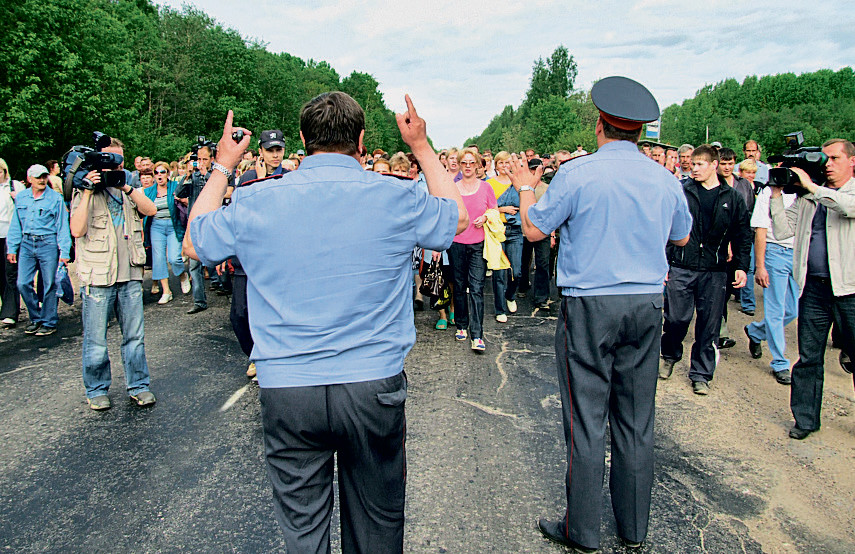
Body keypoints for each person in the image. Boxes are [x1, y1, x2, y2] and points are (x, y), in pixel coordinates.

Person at [183, 93, 467, 552]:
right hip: (371, 382)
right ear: (360, 140)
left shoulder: (258, 199)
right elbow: (458, 218)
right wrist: (420, 145)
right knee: (377, 523)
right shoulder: (396, 195)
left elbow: (195, 244)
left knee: (303, 528)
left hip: (289, 386)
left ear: (302, 139)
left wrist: (222, 166)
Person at [511, 76, 692, 552]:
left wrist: (526, 188)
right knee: (636, 419)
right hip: (646, 302)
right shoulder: (665, 178)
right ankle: (633, 529)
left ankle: (583, 530)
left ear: (599, 124)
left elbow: (533, 232)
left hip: (591, 305)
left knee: (586, 419)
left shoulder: (577, 174)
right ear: (640, 131)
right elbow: (682, 237)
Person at [768, 139, 855, 440]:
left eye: (834, 158)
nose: (828, 164)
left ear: (852, 161)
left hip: (850, 290)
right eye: (825, 158)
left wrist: (812, 187)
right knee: (808, 357)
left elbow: (846, 206)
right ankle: (805, 419)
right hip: (814, 289)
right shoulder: (809, 199)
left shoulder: (843, 193)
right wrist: (776, 194)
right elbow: (783, 230)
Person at [69, 137, 158, 410]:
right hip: (99, 277)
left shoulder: (127, 188)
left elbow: (150, 209)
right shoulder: (84, 190)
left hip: (129, 273)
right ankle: (96, 389)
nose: (115, 165)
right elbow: (77, 230)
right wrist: (87, 191)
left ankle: (139, 386)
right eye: (109, 160)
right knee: (96, 340)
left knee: (135, 338)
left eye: (119, 160)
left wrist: (127, 187)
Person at [660, 145, 752, 395]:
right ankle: (669, 355)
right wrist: (664, 262)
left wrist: (741, 266)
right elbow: (666, 227)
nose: (694, 168)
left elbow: (743, 234)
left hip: (714, 269)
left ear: (714, 165)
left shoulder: (732, 197)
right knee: (676, 318)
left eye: (700, 164)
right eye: (693, 164)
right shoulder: (682, 191)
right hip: (681, 265)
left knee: (709, 324)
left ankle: (701, 373)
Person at [228, 129, 291, 379]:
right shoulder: (248, 178)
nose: (275, 155)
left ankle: (271, 356)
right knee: (239, 314)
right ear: (261, 152)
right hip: (247, 256)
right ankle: (255, 353)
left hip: (277, 257)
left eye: (279, 150)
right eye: (270, 150)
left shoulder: (289, 178)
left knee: (276, 312)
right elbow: (240, 213)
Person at [744, 175, 799, 384]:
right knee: (775, 309)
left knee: (792, 310)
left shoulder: (806, 192)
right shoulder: (768, 192)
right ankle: (780, 363)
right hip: (775, 252)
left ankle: (755, 331)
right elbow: (761, 230)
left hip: (799, 254)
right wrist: (760, 266)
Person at [6, 164, 71, 336]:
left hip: (48, 242)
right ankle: (36, 317)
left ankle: (49, 321)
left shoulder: (55, 198)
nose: (42, 180)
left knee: (49, 283)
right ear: (30, 179)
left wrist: (64, 251)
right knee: (22, 283)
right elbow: (16, 224)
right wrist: (12, 248)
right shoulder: (21, 197)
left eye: (44, 176)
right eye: (38, 177)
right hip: (27, 243)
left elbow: (62, 226)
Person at [448, 148, 496, 352]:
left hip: (478, 244)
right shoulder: (452, 187)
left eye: (471, 162)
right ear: (459, 165)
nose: (468, 166)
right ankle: (461, 325)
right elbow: (446, 214)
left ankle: (477, 334)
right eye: (464, 162)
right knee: (459, 286)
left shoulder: (486, 187)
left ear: (477, 165)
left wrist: (485, 217)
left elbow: (494, 210)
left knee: (476, 288)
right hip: (456, 242)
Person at [143, 162, 191, 304]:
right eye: (156, 173)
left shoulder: (175, 187)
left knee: (174, 258)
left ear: (168, 174)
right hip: (156, 226)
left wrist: (181, 199)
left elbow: (188, 201)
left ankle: (182, 275)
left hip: (173, 225)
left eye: (162, 172)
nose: (159, 175)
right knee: (158, 259)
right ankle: (166, 291)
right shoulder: (148, 191)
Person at [487, 151, 522, 322]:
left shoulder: (517, 183)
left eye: (507, 162)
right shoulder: (489, 184)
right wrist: (502, 209)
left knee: (517, 270)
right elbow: (485, 207)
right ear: (496, 164)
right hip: (497, 231)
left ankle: (510, 295)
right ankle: (500, 309)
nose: (504, 166)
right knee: (499, 273)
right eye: (501, 163)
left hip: (515, 230)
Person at [0, 159, 25, 328]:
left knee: (10, 272)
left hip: (11, 235)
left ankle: (10, 312)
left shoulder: (15, 186)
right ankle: (6, 308)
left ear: (4, 171)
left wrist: (18, 199)